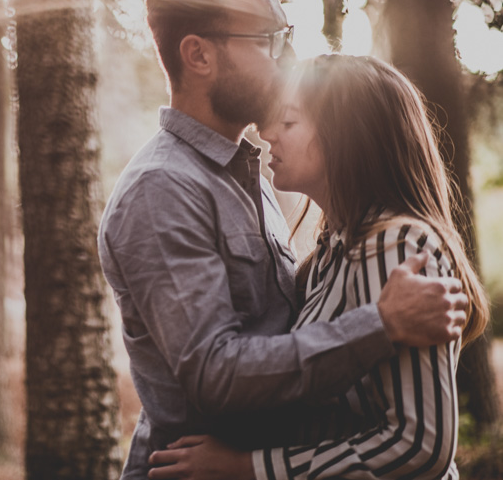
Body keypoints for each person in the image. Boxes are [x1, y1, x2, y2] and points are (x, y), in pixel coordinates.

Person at [97, 0, 469, 480]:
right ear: (198, 54)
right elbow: (215, 376)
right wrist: (381, 324)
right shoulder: (163, 189)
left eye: (285, 36)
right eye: (268, 39)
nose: (285, 57)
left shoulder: (249, 174)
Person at [146, 54, 490, 480]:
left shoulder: (397, 245)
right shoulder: (331, 253)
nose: (266, 134)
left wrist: (248, 468)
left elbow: (420, 446)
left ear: (346, 136)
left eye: (288, 123)